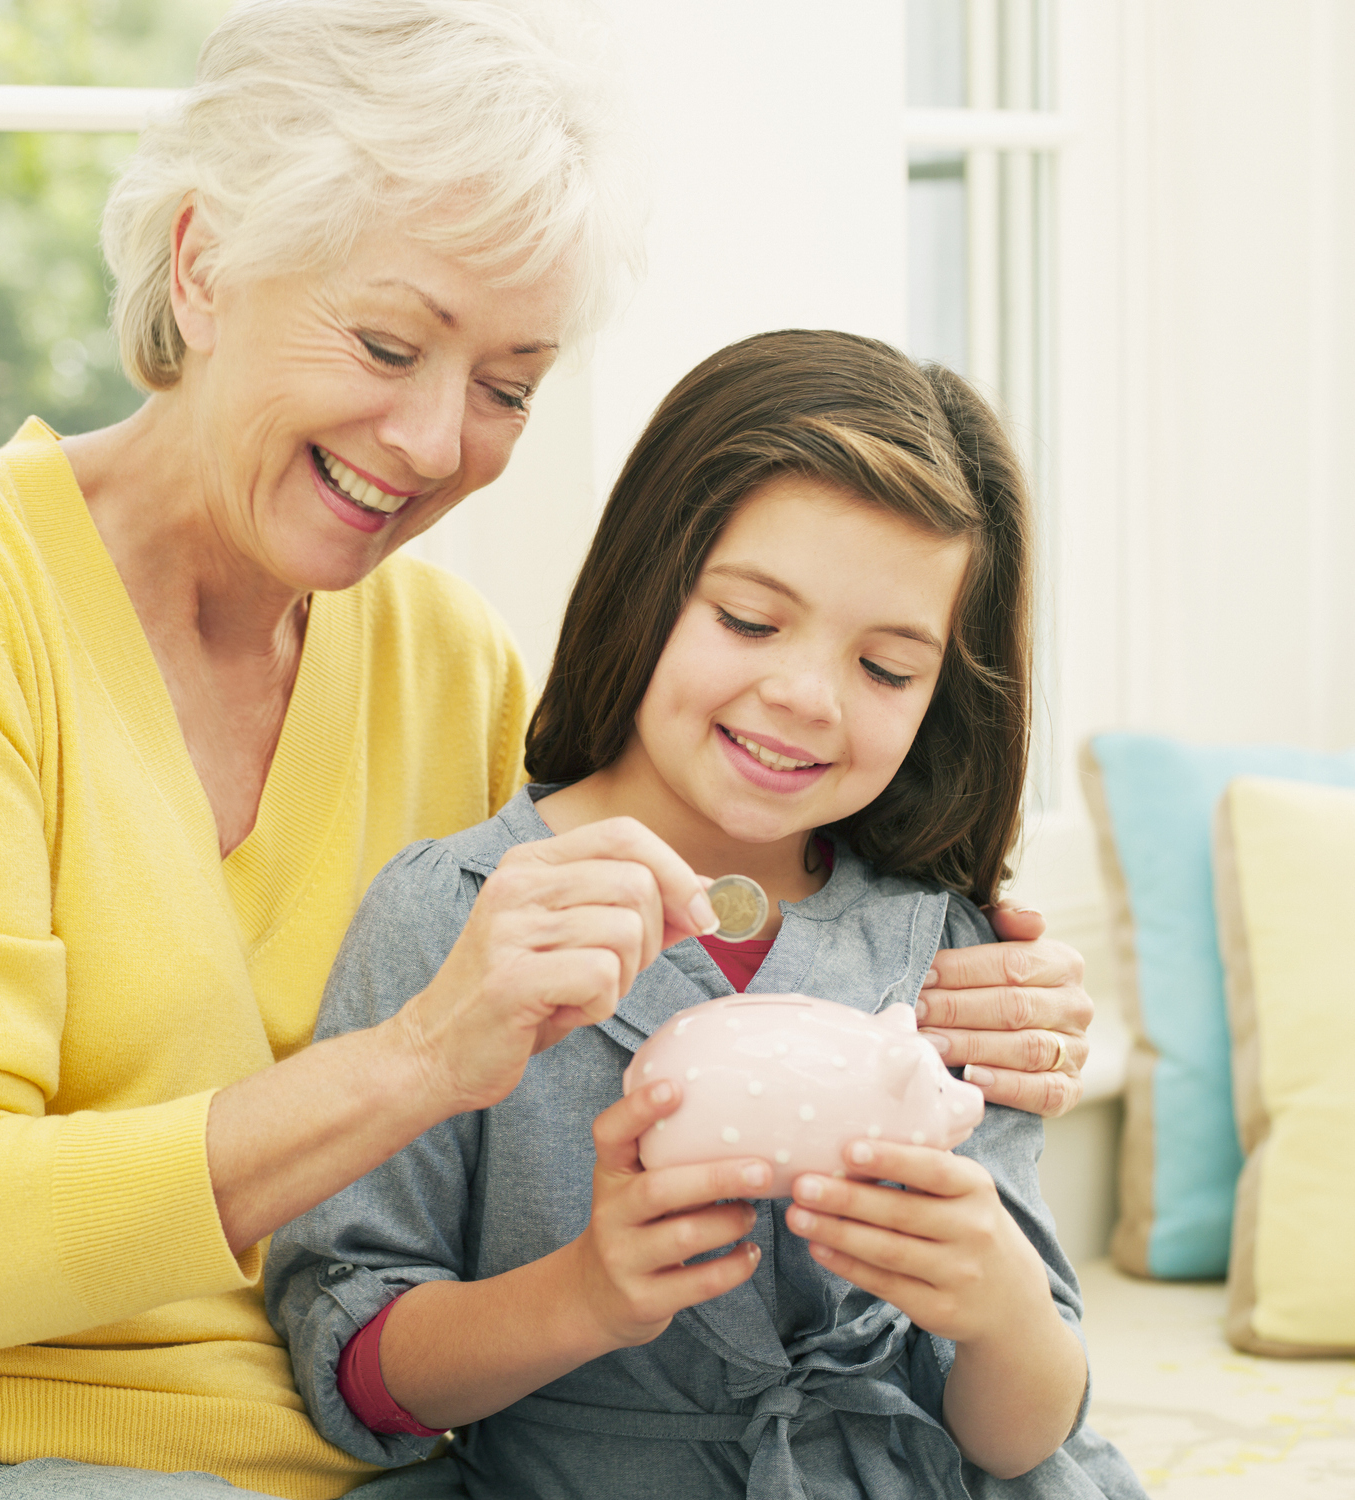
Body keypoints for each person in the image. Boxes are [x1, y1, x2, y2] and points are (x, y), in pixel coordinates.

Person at [0, 4, 1099, 1498]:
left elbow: (656, 944)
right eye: (387, 341)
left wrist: (959, 993)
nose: (427, 441)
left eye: (506, 387)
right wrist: (413, 1059)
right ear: (202, 263)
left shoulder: (437, 658)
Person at [267, 330, 1145, 1499]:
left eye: (887, 670)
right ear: (647, 581)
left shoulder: (946, 949)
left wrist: (995, 1309)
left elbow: (1024, 1431)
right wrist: (581, 1295)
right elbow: (355, 1364)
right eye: (747, 618)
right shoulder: (463, 915)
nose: (804, 697)